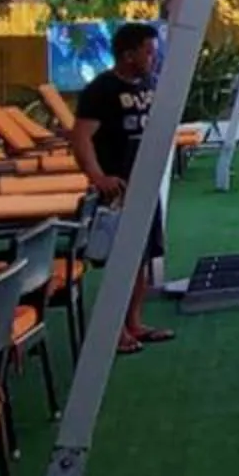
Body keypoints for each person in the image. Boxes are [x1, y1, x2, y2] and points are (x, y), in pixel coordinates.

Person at [69, 24, 172, 355]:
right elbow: (81, 137)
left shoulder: (149, 84)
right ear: (128, 55)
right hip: (119, 187)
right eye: (148, 52)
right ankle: (113, 331)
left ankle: (134, 323)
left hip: (145, 185)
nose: (153, 58)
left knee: (141, 259)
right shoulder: (101, 90)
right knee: (119, 263)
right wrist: (98, 177)